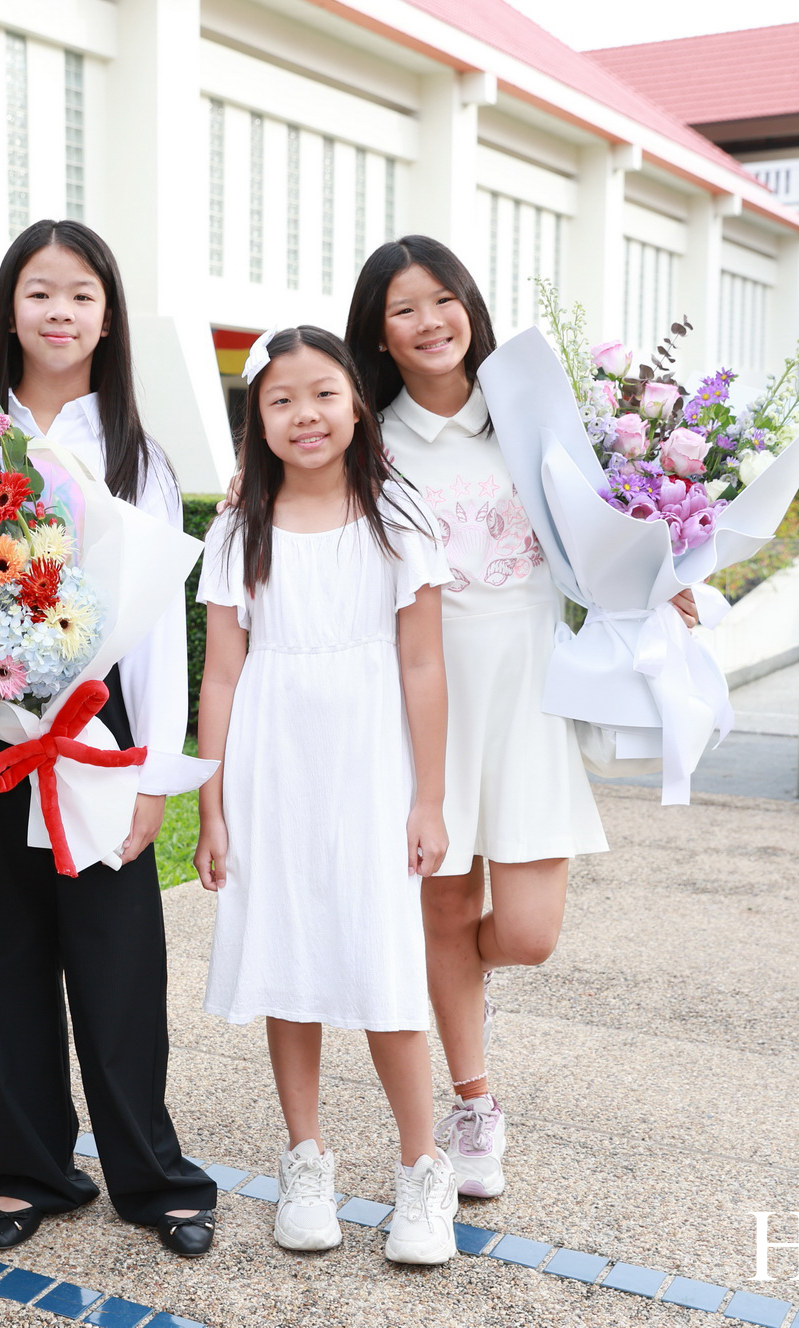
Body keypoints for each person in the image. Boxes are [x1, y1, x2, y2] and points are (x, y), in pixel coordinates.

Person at [342, 236, 699, 1200]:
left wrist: (661, 579)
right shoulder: (367, 441)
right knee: (446, 907)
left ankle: (460, 977)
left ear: (470, 305)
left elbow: (606, 537)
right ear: (378, 332)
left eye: (443, 299)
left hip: (529, 700)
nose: (430, 322)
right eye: (404, 309)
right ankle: (473, 1099)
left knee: (531, 931)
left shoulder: (534, 419)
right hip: (423, 707)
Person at [0, 219, 218, 1257]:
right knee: (1, 954)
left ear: (108, 316)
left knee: (118, 958)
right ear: (8, 309)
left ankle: (153, 1178)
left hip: (93, 730)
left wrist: (155, 773)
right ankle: (30, 1173)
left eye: (81, 293)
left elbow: (158, 629)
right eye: (39, 292)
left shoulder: (136, 454)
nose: (60, 312)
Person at [193, 325, 461, 1264]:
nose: (304, 415)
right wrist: (211, 804)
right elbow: (222, 674)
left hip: (371, 763)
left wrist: (430, 799)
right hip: (272, 765)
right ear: (256, 420)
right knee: (288, 953)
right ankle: (305, 1159)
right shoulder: (240, 529)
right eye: (280, 400)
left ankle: (423, 1168)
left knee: (385, 960)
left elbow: (424, 664)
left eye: (322, 395)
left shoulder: (398, 515)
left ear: (355, 403)